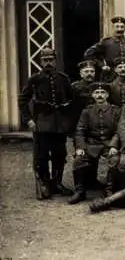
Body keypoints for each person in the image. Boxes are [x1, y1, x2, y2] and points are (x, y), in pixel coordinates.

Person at [18, 46, 73, 200]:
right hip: (41, 123)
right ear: (41, 62)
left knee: (60, 154)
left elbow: (70, 99)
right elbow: (23, 100)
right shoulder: (34, 79)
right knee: (41, 156)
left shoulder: (63, 78)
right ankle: (44, 184)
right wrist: (28, 120)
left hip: (59, 124)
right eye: (45, 60)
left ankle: (57, 183)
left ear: (55, 60)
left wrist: (67, 120)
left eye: (51, 60)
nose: (48, 63)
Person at [69, 82, 121, 204]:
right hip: (92, 144)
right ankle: (80, 191)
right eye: (96, 93)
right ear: (92, 95)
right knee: (79, 160)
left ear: (107, 95)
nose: (100, 95)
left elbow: (119, 131)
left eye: (102, 93)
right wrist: (80, 147)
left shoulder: (116, 110)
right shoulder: (87, 111)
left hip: (109, 143)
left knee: (115, 159)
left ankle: (109, 189)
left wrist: (114, 145)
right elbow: (80, 131)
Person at [84, 16, 125, 82]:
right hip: (110, 77)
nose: (119, 29)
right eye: (117, 27)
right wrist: (102, 65)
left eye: (122, 27)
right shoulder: (106, 42)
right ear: (112, 28)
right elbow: (88, 54)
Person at [70, 60, 97, 137]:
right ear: (81, 74)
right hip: (79, 123)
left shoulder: (98, 86)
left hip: (95, 124)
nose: (89, 74)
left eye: (92, 71)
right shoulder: (74, 87)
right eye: (86, 71)